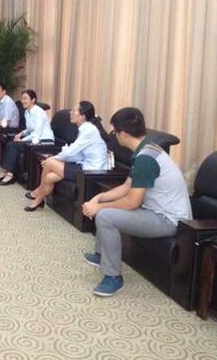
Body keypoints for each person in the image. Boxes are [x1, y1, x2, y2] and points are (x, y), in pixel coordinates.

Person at [82, 108, 192, 297]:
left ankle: (113, 277)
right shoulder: (146, 149)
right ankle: (101, 255)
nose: (114, 136)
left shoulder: (146, 159)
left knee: (105, 216)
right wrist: (99, 198)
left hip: (168, 220)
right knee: (104, 209)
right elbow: (126, 187)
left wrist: (98, 207)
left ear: (123, 134)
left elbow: (132, 201)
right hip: (154, 211)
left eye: (115, 132)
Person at [25, 101, 108, 212]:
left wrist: (53, 159)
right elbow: (76, 154)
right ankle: (39, 199)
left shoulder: (89, 130)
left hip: (91, 171)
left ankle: (38, 197)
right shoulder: (85, 128)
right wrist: (57, 159)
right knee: (49, 177)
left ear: (82, 116)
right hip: (83, 165)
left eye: (74, 110)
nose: (71, 112)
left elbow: (70, 152)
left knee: (49, 162)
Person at [0, 90, 54, 186]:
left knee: (13, 145)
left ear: (33, 100)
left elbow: (36, 133)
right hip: (34, 139)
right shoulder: (27, 112)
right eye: (22, 99)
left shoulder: (39, 112)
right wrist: (21, 133)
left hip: (44, 141)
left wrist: (22, 140)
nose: (23, 101)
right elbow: (29, 129)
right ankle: (7, 171)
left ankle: (9, 174)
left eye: (25, 99)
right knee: (10, 142)